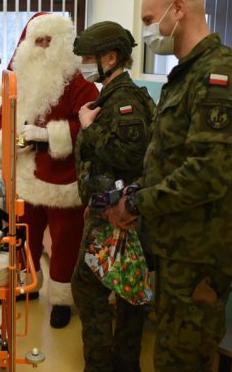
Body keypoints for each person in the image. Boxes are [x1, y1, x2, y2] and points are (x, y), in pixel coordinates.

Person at [108, 0, 232, 371]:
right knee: (171, 352)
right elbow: (172, 158)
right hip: (178, 245)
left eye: (148, 19)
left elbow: (209, 172)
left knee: (183, 360)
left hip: (201, 253)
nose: (146, 32)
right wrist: (137, 189)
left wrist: (138, 203)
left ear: (178, 10)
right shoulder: (187, 74)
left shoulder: (221, 75)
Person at [0, 12, 99, 328]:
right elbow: (4, 120)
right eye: (37, 40)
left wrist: (47, 135)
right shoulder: (18, 79)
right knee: (23, 237)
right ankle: (28, 286)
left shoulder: (80, 82)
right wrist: (14, 138)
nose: (42, 47)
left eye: (48, 41)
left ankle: (62, 300)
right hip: (26, 175)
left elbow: (90, 126)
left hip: (63, 179)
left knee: (66, 242)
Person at [71, 21, 155, 371]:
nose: (84, 64)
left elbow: (130, 156)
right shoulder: (114, 93)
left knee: (88, 291)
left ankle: (103, 364)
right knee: (127, 292)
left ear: (111, 57)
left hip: (115, 215)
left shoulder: (122, 100)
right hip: (116, 211)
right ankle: (124, 363)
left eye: (90, 57)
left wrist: (88, 129)